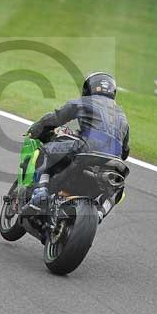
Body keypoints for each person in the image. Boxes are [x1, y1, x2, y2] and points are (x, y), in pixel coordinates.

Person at [25, 72, 130, 210]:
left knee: (43, 152)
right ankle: (101, 212)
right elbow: (125, 151)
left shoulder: (84, 102)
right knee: (118, 188)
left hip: (85, 149)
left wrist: (37, 128)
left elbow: (56, 118)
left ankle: (41, 192)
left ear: (88, 88)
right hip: (113, 162)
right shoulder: (122, 116)